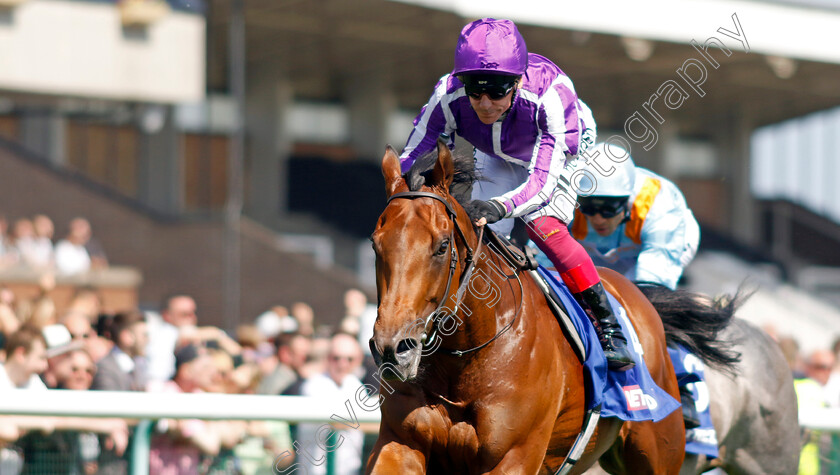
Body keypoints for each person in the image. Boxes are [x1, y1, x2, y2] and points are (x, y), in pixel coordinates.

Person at [399, 18, 633, 370]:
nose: (484, 103)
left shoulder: (551, 97)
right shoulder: (446, 93)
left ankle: (609, 328)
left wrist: (499, 205)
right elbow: (412, 153)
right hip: (498, 153)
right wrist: (409, 186)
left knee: (542, 225)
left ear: (518, 82)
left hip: (559, 152)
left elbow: (540, 184)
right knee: (479, 234)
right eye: (474, 91)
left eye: (496, 92)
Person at [569, 142, 700, 290]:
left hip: (665, 243)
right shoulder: (569, 202)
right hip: (604, 252)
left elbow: (652, 280)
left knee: (637, 294)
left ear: (627, 200)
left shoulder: (658, 204)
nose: (598, 219)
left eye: (608, 209)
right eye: (589, 208)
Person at [296, 333, 366, 475]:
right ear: (327, 358)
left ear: (358, 360)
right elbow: (336, 422)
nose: (342, 364)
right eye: (336, 358)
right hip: (315, 470)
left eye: (349, 359)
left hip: (350, 470)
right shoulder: (313, 385)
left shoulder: (355, 385)